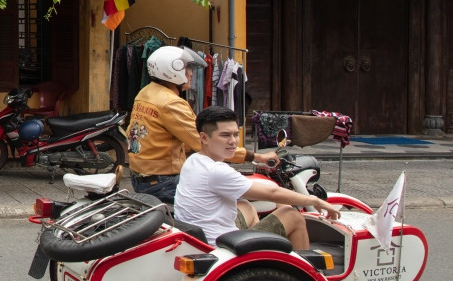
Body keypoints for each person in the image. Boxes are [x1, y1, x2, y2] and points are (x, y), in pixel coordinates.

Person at [126, 45, 276, 203]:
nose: (191, 73)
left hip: (141, 177)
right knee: (234, 202)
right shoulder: (170, 103)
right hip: (163, 182)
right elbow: (205, 143)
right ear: (172, 70)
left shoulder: (146, 92)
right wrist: (257, 156)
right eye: (186, 69)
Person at [174, 106, 340, 248]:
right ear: (204, 138)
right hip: (219, 246)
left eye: (235, 134)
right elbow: (273, 193)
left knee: (246, 206)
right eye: (225, 135)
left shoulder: (194, 160)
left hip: (201, 238)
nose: (233, 141)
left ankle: (262, 253)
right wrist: (315, 200)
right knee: (292, 215)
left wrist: (257, 157)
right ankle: (304, 277)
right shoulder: (216, 171)